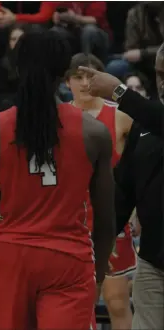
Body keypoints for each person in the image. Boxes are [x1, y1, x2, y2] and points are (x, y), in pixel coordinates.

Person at [0, 30, 116, 330]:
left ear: (17, 69)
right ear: (63, 74)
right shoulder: (94, 132)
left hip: (13, 258)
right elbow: (107, 219)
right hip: (68, 258)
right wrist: (95, 275)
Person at [79, 44, 164, 329]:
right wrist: (98, 244)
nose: (163, 82)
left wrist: (118, 92)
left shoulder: (147, 117)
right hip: (154, 261)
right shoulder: (143, 125)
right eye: (160, 74)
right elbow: (123, 191)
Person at [65, 53, 135, 330]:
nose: (84, 83)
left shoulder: (119, 115)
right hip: (72, 220)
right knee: (82, 303)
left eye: (90, 76)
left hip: (111, 217)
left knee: (117, 301)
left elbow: (136, 168)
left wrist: (137, 210)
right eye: (77, 77)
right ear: (66, 81)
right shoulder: (58, 118)